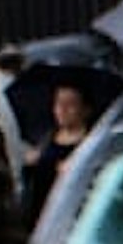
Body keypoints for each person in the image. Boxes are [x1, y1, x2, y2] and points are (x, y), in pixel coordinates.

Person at [20, 78, 100, 225]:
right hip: (41, 217)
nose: (62, 109)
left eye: (70, 104)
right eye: (58, 103)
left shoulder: (92, 144)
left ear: (86, 109)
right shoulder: (45, 140)